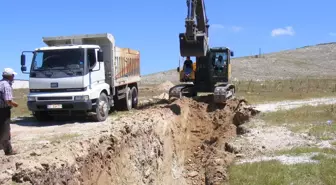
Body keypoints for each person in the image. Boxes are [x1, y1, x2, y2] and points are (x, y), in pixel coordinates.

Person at [0, 68, 18, 156]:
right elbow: (8, 100)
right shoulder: (6, 85)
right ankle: (8, 151)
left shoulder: (0, 83)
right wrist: (15, 104)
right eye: (13, 75)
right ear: (11, 76)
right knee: (5, 130)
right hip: (3, 110)